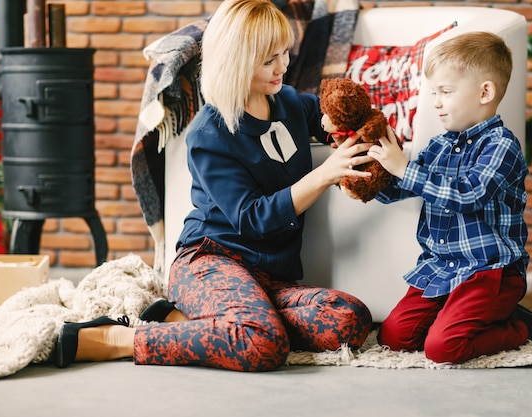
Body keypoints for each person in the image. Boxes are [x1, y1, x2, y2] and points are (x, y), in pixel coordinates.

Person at [54, 0, 373, 372]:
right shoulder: (211, 132)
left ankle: (198, 323)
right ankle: (119, 339)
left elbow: (334, 125)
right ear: (235, 60)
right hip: (211, 262)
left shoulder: (289, 102)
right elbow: (253, 219)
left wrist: (361, 132)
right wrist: (323, 174)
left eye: (285, 52)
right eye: (269, 59)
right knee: (262, 344)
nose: (283, 66)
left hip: (271, 275)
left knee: (348, 319)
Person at [366, 32, 532, 364]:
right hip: (442, 268)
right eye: (434, 93)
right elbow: (400, 189)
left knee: (442, 349)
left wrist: (404, 168)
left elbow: (468, 195)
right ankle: (458, 314)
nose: (437, 102)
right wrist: (374, 169)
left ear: (485, 92)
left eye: (446, 92)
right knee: (394, 338)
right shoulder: (438, 145)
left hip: (490, 271)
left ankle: (523, 327)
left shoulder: (502, 145)